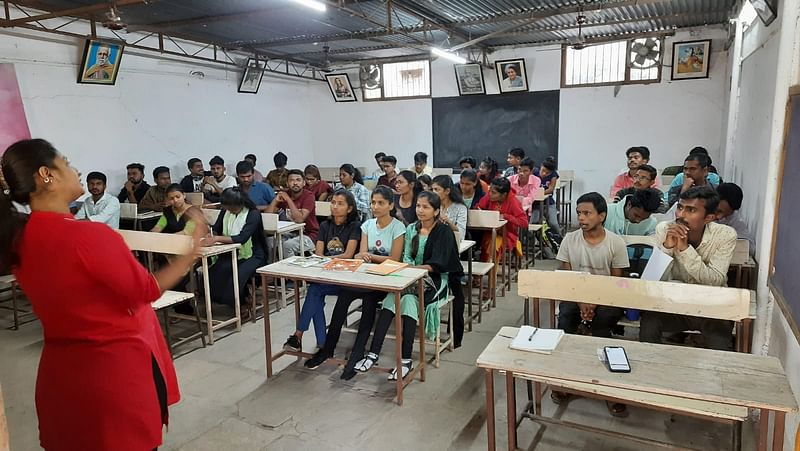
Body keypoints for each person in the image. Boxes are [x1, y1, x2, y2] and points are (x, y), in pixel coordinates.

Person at [1, 138, 206, 450]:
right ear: (47, 174)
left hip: (61, 376)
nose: (76, 170)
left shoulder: (19, 240)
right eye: (67, 163)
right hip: (112, 376)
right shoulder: (88, 235)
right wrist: (191, 253)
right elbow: (147, 289)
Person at [351, 192, 461, 381]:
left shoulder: (444, 232)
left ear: (436, 211)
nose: (420, 210)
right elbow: (407, 258)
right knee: (397, 298)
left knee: (406, 297)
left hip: (434, 280)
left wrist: (412, 270)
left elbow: (438, 264)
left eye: (426, 207)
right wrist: (408, 269)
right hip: (409, 276)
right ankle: (374, 353)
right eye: (418, 206)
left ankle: (405, 360)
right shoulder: (411, 228)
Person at [311, 186, 407, 378]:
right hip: (365, 275)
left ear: (390, 205)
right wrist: (369, 257)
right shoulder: (367, 225)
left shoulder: (398, 227)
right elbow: (360, 256)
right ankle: (328, 348)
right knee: (343, 298)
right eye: (373, 202)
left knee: (370, 303)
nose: (376, 207)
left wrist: (370, 256)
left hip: (384, 280)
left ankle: (358, 352)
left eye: (381, 203)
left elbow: (395, 259)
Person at [554, 192, 630, 416]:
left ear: (602, 216)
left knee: (603, 322)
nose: (581, 218)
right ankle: (564, 380)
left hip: (605, 297)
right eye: (579, 213)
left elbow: (616, 283)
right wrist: (581, 302)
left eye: (587, 213)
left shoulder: (615, 243)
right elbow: (568, 277)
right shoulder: (570, 239)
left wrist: (594, 304)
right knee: (566, 315)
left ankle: (608, 387)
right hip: (576, 294)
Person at [640, 186, 738, 351]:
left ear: (709, 218)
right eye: (679, 207)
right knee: (650, 320)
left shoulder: (725, 235)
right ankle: (649, 365)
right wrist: (667, 248)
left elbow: (715, 280)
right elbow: (651, 281)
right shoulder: (664, 229)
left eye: (691, 210)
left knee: (720, 340)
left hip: (711, 307)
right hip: (676, 303)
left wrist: (685, 250)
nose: (680, 215)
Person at [282, 190, 361, 356]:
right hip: (326, 275)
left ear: (349, 208)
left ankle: (300, 336)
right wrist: (323, 260)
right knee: (315, 292)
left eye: (340, 204)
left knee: (314, 291)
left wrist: (325, 260)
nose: (335, 207)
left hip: (345, 277)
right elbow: (318, 254)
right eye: (333, 203)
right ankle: (321, 343)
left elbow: (348, 255)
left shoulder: (355, 226)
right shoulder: (325, 225)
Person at [208, 188, 268, 314]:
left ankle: (242, 303)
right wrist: (210, 232)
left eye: (231, 207)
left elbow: (242, 238)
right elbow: (216, 227)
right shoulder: (226, 211)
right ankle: (229, 301)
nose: (229, 210)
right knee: (216, 271)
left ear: (240, 204)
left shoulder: (253, 214)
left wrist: (217, 238)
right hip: (230, 252)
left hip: (253, 254)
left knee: (237, 274)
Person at [431, 175, 468, 348]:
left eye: (436, 189)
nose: (434, 193)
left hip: (452, 251)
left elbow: (460, 232)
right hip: (434, 253)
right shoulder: (432, 206)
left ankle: (457, 336)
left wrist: (447, 221)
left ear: (447, 191)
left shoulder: (460, 208)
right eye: (432, 189)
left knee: (457, 293)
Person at [266, 169, 318, 257]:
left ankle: (289, 270)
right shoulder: (286, 194)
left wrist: (288, 200)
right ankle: (272, 268)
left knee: (288, 246)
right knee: (269, 241)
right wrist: (275, 200)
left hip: (309, 235)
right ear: (287, 183)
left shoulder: (309, 196)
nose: (295, 183)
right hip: (290, 233)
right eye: (291, 180)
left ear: (304, 183)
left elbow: (300, 219)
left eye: (298, 180)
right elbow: (267, 217)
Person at [476, 178, 528, 264]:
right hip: (488, 231)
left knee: (494, 244)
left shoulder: (514, 202)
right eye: (490, 191)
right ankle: (482, 268)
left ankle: (490, 273)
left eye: (494, 193)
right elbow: (479, 206)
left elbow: (524, 222)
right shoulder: (489, 197)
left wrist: (506, 216)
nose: (490, 194)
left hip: (506, 235)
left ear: (504, 195)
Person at [715, 182, 755, 252]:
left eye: (726, 214)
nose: (719, 217)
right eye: (718, 211)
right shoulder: (703, 211)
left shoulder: (736, 221)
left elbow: (750, 248)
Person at [530, 157, 561, 238]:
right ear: (541, 166)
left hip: (549, 203)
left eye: (547, 173)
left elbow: (550, 189)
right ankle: (534, 241)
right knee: (533, 222)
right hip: (535, 204)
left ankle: (560, 239)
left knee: (553, 223)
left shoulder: (553, 175)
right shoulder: (534, 173)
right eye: (543, 170)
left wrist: (539, 192)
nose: (544, 174)